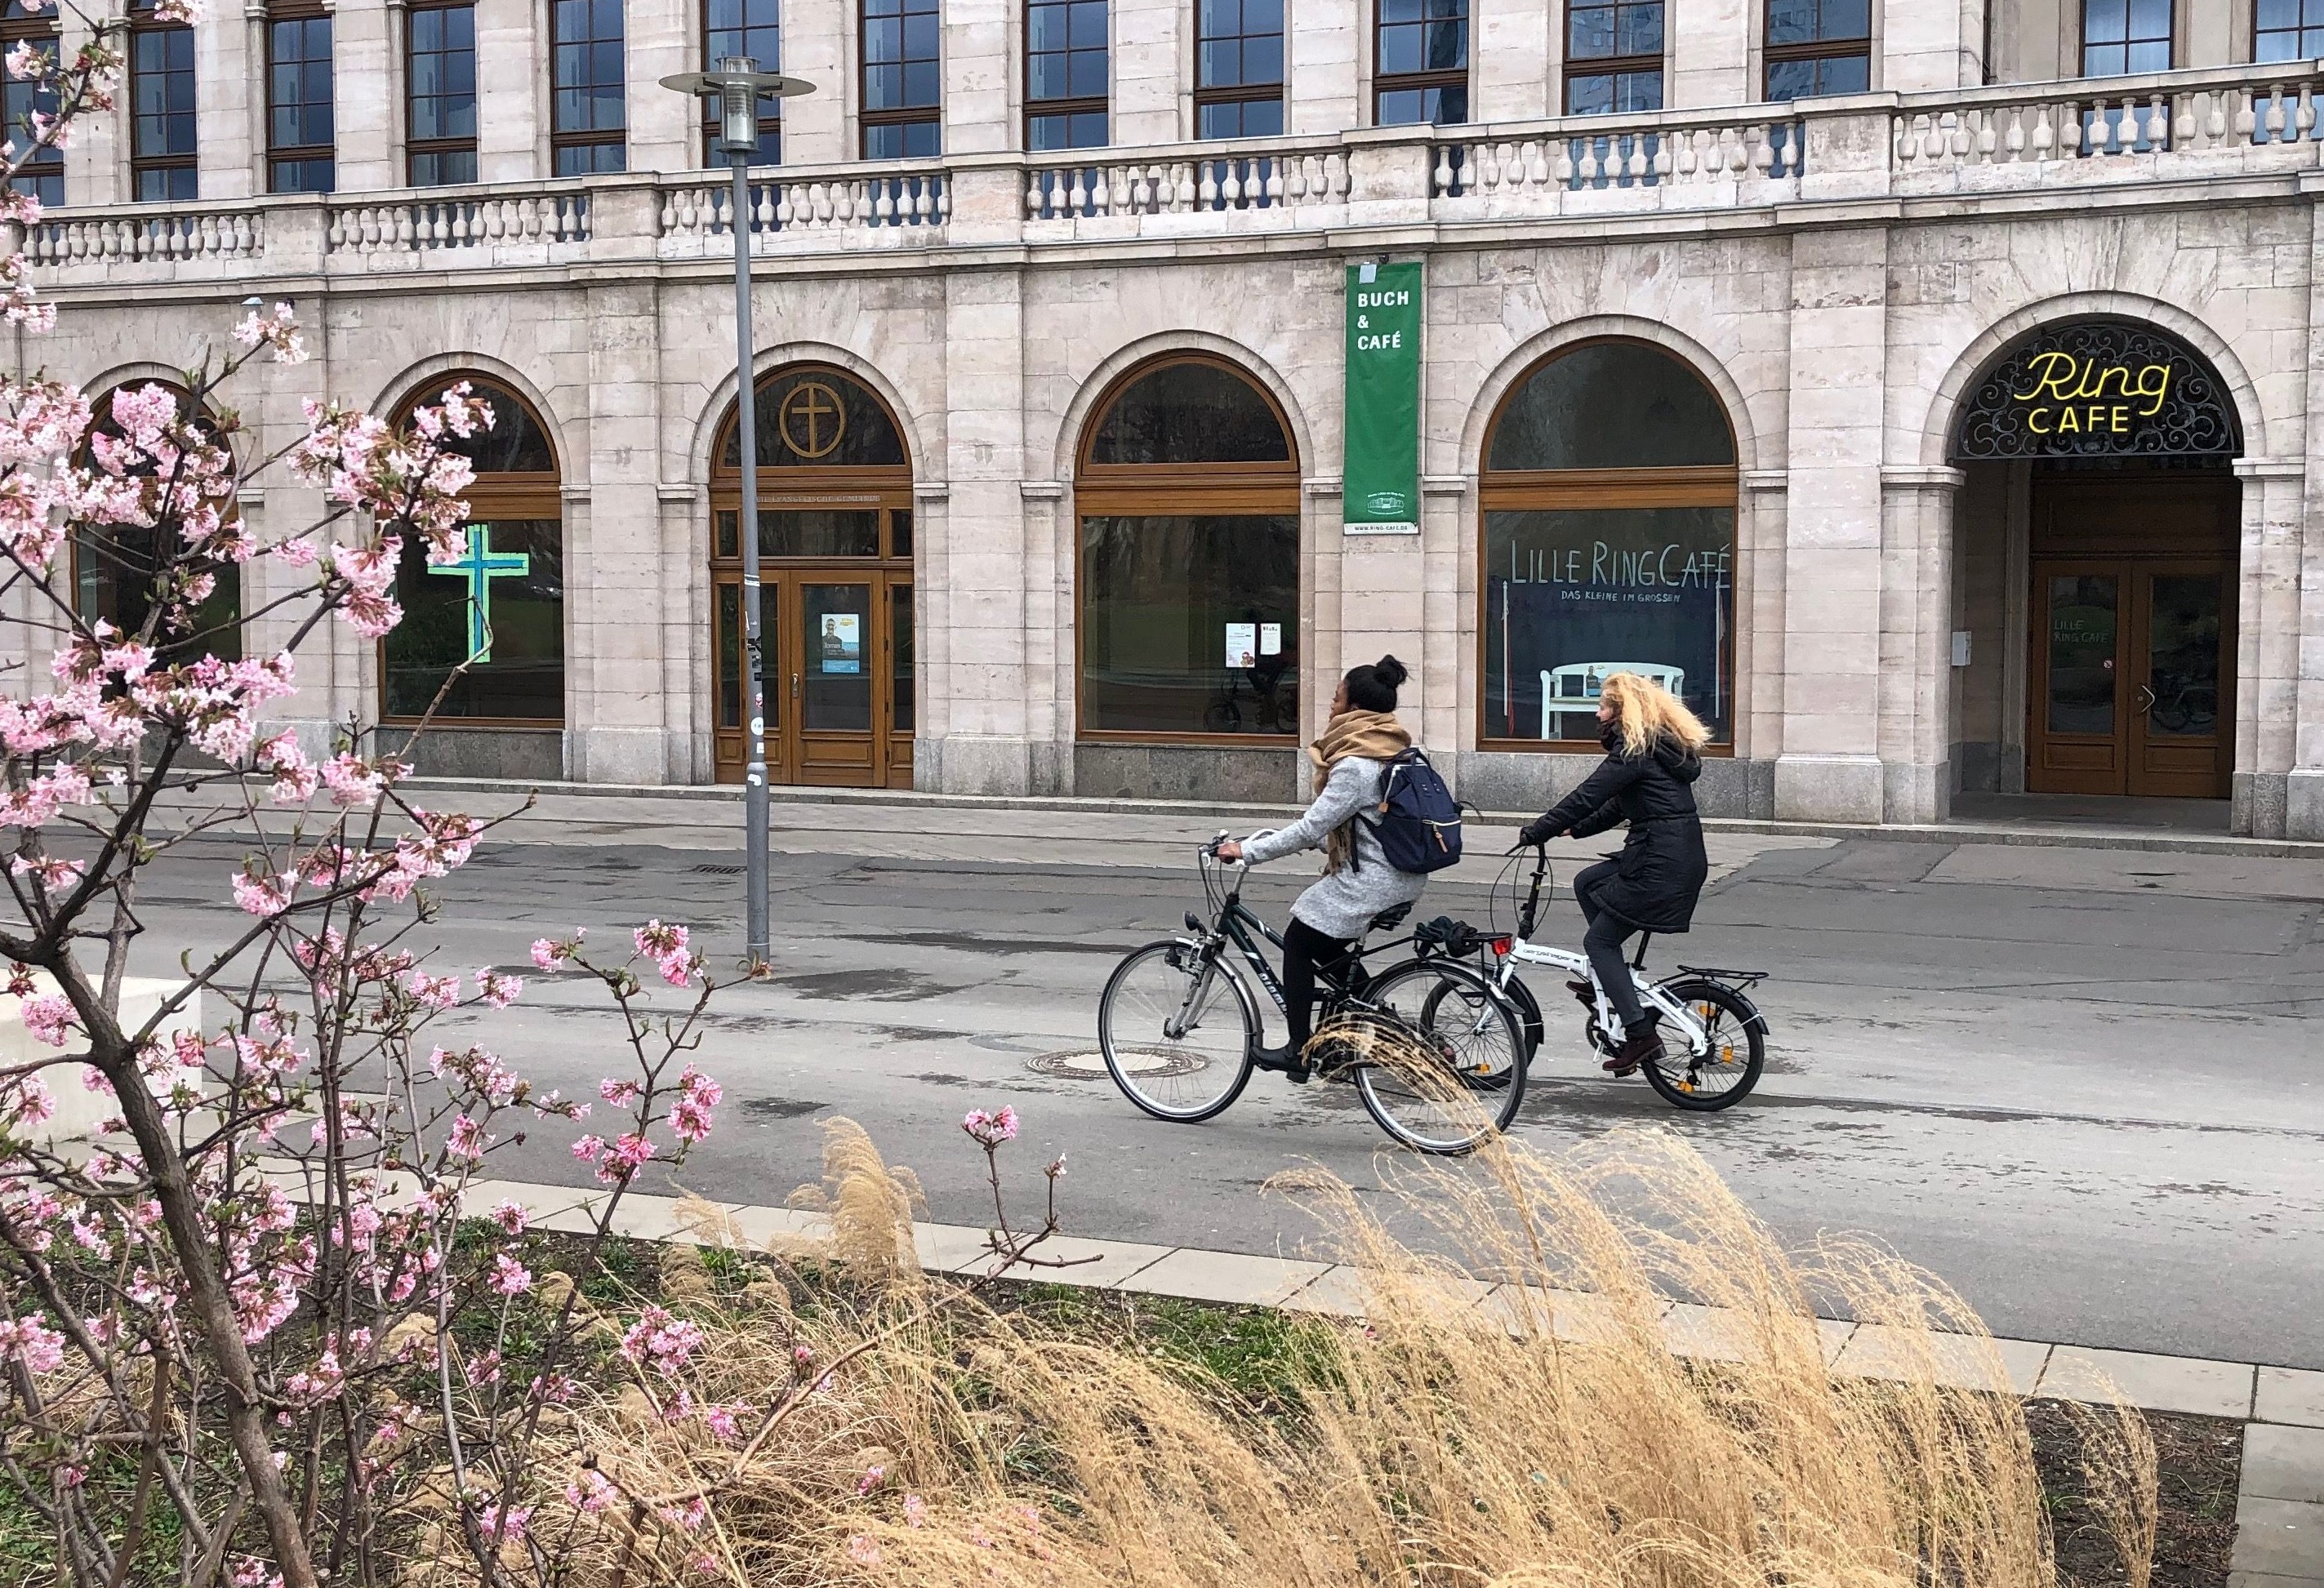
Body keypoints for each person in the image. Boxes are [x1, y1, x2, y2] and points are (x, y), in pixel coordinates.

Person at [1216, 655, 1425, 1083]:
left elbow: (1312, 826)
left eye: (1336, 698)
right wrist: (1286, 842)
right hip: (1401, 874)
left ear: (1354, 709)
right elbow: (1351, 824)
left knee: (1298, 938)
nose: (1331, 706)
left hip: (1376, 881)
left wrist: (1246, 851)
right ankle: (1376, 1021)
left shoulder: (1356, 764)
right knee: (1327, 947)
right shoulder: (1397, 751)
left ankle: (1298, 1049)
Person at [1516, 670, 1711, 1076]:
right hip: (1671, 857)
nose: (1597, 713)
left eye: (1603, 706)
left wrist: (1539, 829)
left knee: (1599, 942)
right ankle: (1609, 978)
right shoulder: (1656, 748)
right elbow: (1619, 806)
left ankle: (1640, 1034)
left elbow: (1589, 794)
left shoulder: (1635, 751)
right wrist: (1576, 829)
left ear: (1622, 712)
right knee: (1587, 882)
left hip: (1660, 864)